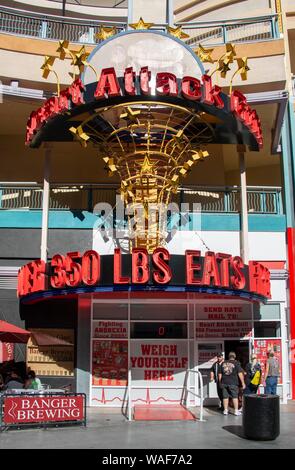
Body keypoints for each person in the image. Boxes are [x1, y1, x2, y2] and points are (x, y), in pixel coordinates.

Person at [218, 351, 246, 416]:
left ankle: (225, 410)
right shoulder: (236, 363)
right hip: (233, 383)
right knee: (235, 396)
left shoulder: (223, 363)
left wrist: (220, 382)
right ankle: (236, 411)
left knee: (225, 397)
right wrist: (243, 383)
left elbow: (220, 374)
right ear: (234, 357)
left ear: (229, 356)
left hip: (224, 382)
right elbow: (240, 373)